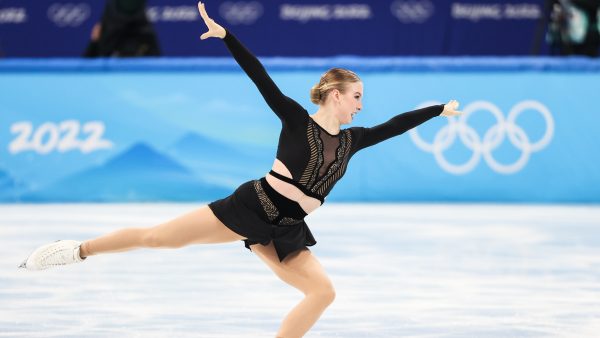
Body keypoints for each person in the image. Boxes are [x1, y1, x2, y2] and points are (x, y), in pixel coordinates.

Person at [20, 2, 461, 337]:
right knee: (158, 238)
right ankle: (77, 250)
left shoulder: (354, 139)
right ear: (334, 95)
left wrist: (438, 110)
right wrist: (227, 35)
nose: (362, 105)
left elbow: (397, 125)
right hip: (250, 206)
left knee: (323, 292)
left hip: (287, 229)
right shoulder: (294, 119)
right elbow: (260, 75)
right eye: (357, 96)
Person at [83, 0, 160, 57]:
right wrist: (94, 42)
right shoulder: (106, 35)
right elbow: (84, 71)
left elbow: (158, 69)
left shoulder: (146, 35)